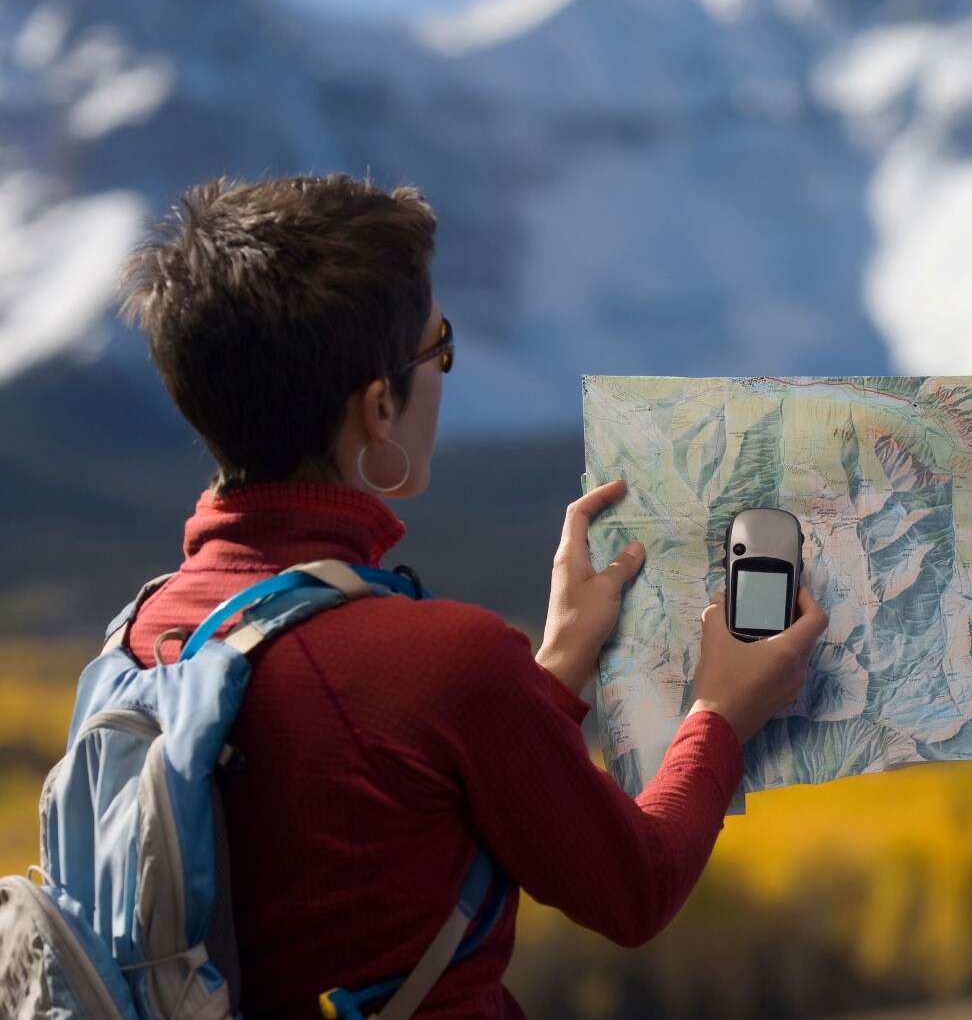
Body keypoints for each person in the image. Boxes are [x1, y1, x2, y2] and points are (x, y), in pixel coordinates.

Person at [114, 174, 828, 1017]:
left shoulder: (144, 634)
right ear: (380, 406)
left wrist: (553, 667)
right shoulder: (441, 659)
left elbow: (393, 803)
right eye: (439, 349)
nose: (445, 373)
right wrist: (721, 713)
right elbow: (635, 886)